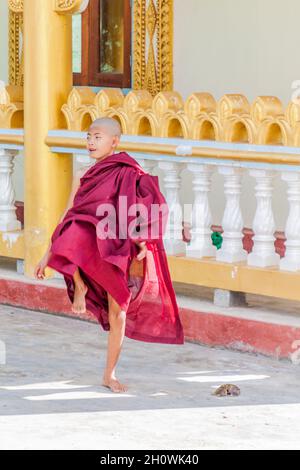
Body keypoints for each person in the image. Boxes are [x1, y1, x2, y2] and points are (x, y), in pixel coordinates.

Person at [34, 117, 184, 393]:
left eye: (98, 136)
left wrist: (143, 242)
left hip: (116, 246)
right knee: (75, 226)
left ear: (115, 141)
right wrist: (47, 254)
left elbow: (152, 204)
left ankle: (109, 374)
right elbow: (67, 213)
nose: (91, 142)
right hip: (87, 242)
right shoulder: (82, 175)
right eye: (88, 136)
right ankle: (79, 283)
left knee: (119, 313)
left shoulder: (130, 171)